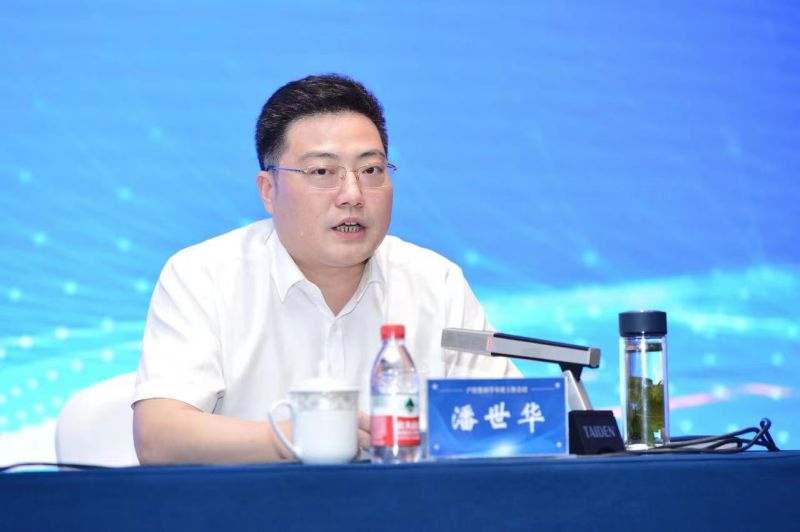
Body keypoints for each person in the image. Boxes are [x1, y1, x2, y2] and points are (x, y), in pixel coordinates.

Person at [132, 74, 520, 464]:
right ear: (269, 190)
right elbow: (158, 437)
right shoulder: (203, 276)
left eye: (371, 170)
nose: (352, 195)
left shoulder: (437, 283)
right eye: (322, 172)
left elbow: (513, 426)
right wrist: (299, 437)